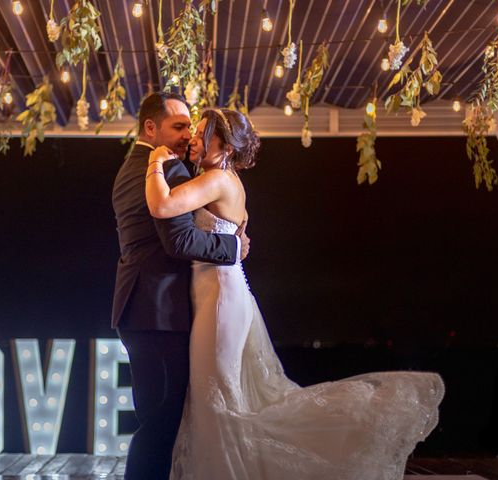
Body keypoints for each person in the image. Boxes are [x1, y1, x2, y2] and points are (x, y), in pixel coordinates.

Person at [145, 108, 445, 480]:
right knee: (219, 401)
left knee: (217, 401)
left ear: (223, 147)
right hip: (221, 292)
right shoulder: (226, 179)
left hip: (221, 297)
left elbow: (162, 205)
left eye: (203, 133)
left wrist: (156, 160)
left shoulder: (217, 179)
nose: (193, 138)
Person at [111, 92, 250, 480]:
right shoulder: (163, 169)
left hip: (142, 306)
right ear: (151, 128)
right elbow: (180, 241)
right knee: (160, 423)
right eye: (180, 126)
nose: (187, 135)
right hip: (159, 311)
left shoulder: (130, 167)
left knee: (162, 417)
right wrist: (234, 246)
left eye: (192, 127)